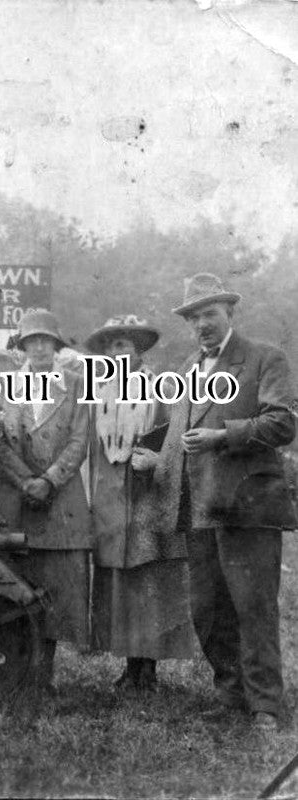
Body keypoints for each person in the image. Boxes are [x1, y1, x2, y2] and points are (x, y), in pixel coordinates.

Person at [134, 273, 296, 731]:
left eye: (210, 313)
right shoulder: (189, 369)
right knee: (208, 611)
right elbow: (183, 440)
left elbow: (283, 423)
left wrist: (224, 436)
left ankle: (266, 706)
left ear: (230, 314)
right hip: (200, 511)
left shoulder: (265, 357)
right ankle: (231, 694)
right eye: (194, 317)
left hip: (248, 507)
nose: (202, 323)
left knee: (253, 608)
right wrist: (157, 462)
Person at [85, 315, 196, 691]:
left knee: (150, 580)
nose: (119, 352)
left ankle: (147, 668)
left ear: (139, 350)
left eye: (125, 344)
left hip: (149, 495)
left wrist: (156, 462)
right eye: (112, 345)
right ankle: (128, 664)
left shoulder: (161, 388)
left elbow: (175, 438)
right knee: (122, 584)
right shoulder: (96, 391)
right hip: (110, 497)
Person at [0, 309, 92, 688]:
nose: (40, 347)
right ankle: (10, 671)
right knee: (13, 584)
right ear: (22, 347)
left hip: (60, 504)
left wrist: (49, 481)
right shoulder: (3, 385)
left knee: (56, 588)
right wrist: (26, 480)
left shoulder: (76, 386)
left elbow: (80, 442)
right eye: (33, 341)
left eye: (47, 340)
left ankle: (44, 674)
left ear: (57, 346)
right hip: (13, 502)